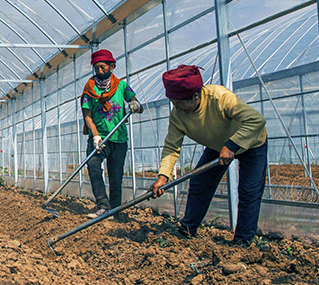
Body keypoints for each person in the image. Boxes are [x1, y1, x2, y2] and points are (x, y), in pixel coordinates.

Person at [149, 64, 268, 246]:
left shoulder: (219, 97)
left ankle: (242, 242)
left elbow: (256, 120)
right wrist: (163, 176)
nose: (177, 108)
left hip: (251, 143)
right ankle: (187, 230)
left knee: (248, 192)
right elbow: (172, 147)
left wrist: (232, 145)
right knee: (199, 182)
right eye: (174, 103)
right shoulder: (178, 114)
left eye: (180, 103)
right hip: (218, 145)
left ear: (195, 96)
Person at [81, 49, 143, 218]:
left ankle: (115, 210)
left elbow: (136, 102)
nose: (100, 71)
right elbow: (88, 116)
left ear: (112, 66)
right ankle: (103, 205)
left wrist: (135, 105)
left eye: (103, 67)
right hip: (98, 138)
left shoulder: (121, 86)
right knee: (93, 167)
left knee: (116, 175)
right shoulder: (89, 89)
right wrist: (95, 136)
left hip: (119, 138)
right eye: (96, 68)